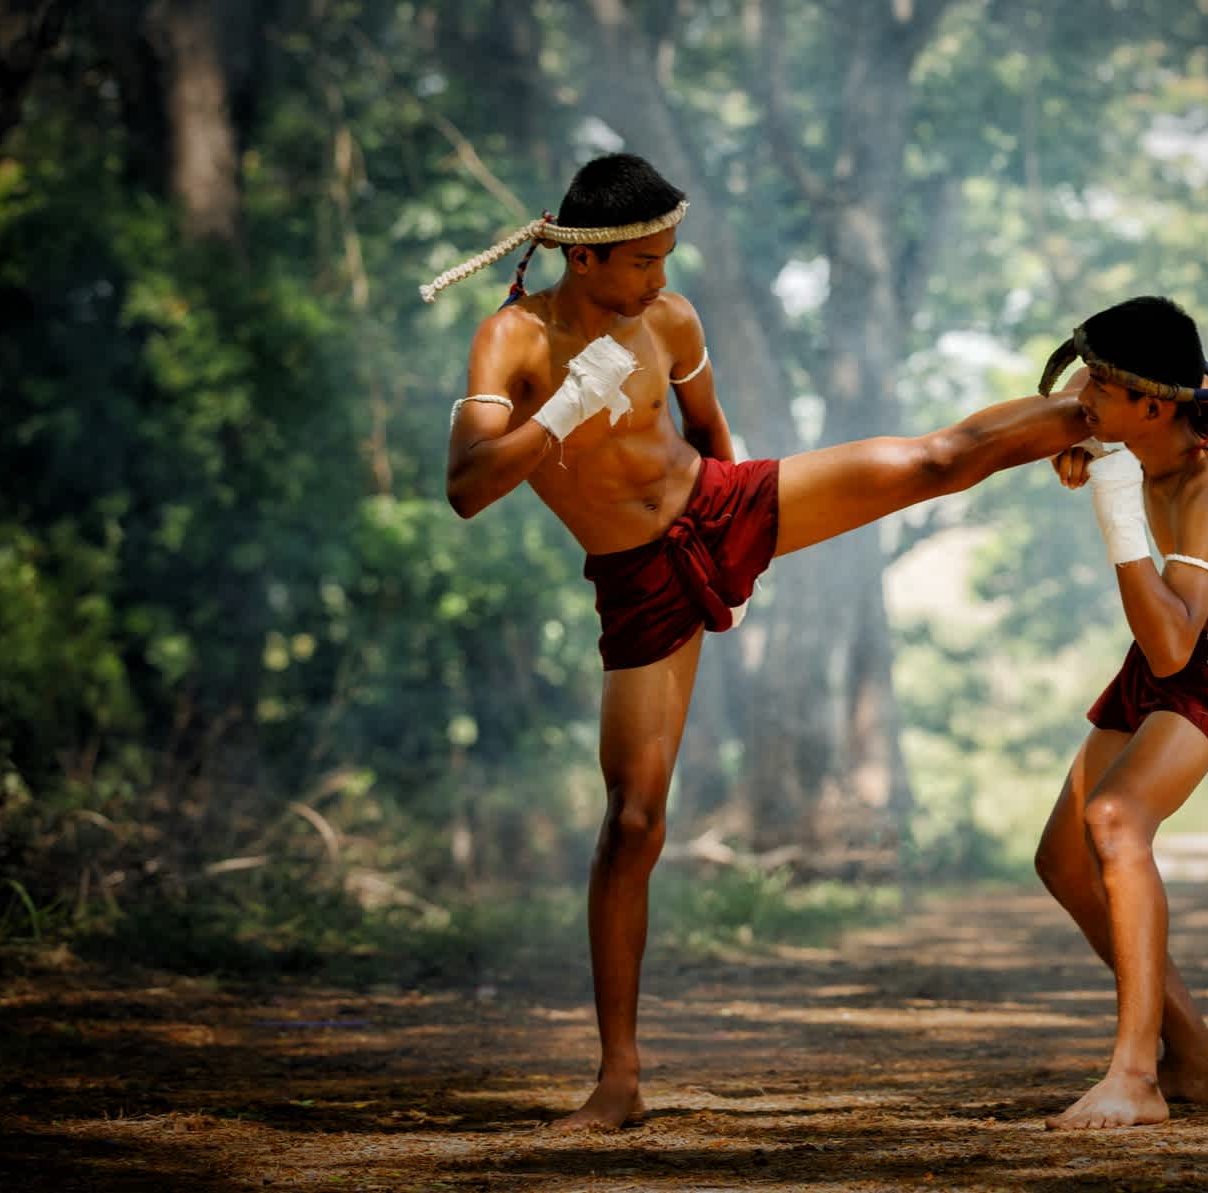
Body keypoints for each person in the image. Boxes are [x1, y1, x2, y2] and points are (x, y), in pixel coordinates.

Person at [424, 152, 1124, 1130]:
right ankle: (618, 1076)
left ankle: (1114, 410)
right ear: (586, 261)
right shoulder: (511, 337)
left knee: (932, 459)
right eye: (643, 263)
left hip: (719, 510)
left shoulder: (670, 320)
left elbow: (712, 438)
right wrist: (570, 406)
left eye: (669, 258)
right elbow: (466, 487)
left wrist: (729, 557)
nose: (661, 281)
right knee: (631, 822)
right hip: (633, 581)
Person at [1032, 295, 1208, 1130]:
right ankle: (1195, 1063)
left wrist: (1114, 510)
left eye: (1100, 388)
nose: (1081, 392)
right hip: (1174, 645)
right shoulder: (1182, 421)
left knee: (1115, 820)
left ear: (1152, 406)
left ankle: (1135, 1076)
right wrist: (1093, 439)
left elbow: (1175, 654)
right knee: (1063, 860)